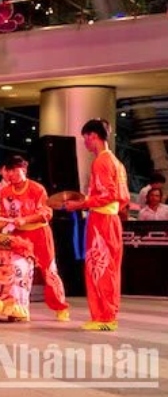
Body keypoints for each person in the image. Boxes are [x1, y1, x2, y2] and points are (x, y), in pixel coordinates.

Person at [0, 155, 70, 321]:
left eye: (14, 170)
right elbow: (2, 216)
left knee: (49, 271)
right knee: (15, 270)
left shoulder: (36, 188)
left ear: (23, 170)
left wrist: (25, 219)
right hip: (18, 235)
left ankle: (60, 307)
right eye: (8, 170)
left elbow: (46, 213)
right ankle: (17, 309)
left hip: (39, 233)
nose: (11, 174)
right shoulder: (4, 192)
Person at [64, 118, 126, 331]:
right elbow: (122, 198)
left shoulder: (101, 161)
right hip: (111, 220)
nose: (85, 143)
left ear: (93, 135)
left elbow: (107, 195)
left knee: (99, 268)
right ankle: (106, 315)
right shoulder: (116, 162)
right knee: (107, 268)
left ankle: (105, 318)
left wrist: (80, 204)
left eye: (85, 138)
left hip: (102, 221)